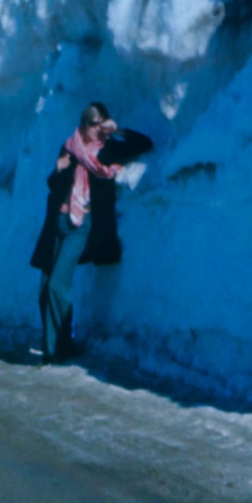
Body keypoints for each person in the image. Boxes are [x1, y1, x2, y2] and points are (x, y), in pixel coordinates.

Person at [30, 101, 152, 363]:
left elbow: (144, 144)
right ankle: (62, 344)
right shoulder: (69, 148)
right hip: (57, 223)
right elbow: (54, 186)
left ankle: (54, 352)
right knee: (45, 289)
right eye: (92, 123)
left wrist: (117, 130)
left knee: (57, 284)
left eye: (101, 123)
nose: (97, 128)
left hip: (81, 226)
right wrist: (58, 170)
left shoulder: (106, 152)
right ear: (83, 125)